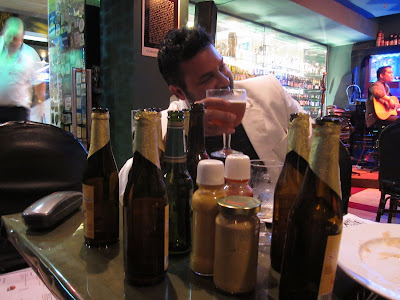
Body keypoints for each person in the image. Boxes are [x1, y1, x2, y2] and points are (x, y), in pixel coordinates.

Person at [119, 26, 307, 198]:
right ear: (179, 92)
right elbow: (124, 183)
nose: (225, 80)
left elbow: (316, 144)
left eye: (221, 66)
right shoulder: (164, 125)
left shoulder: (270, 92)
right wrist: (177, 136)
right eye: (208, 77)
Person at [0, 17, 46, 123]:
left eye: (15, 38)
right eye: (9, 36)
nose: (11, 40)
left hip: (18, 112)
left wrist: (41, 104)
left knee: (17, 139)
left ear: (21, 39)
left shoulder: (30, 55)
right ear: (3, 34)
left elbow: (39, 82)